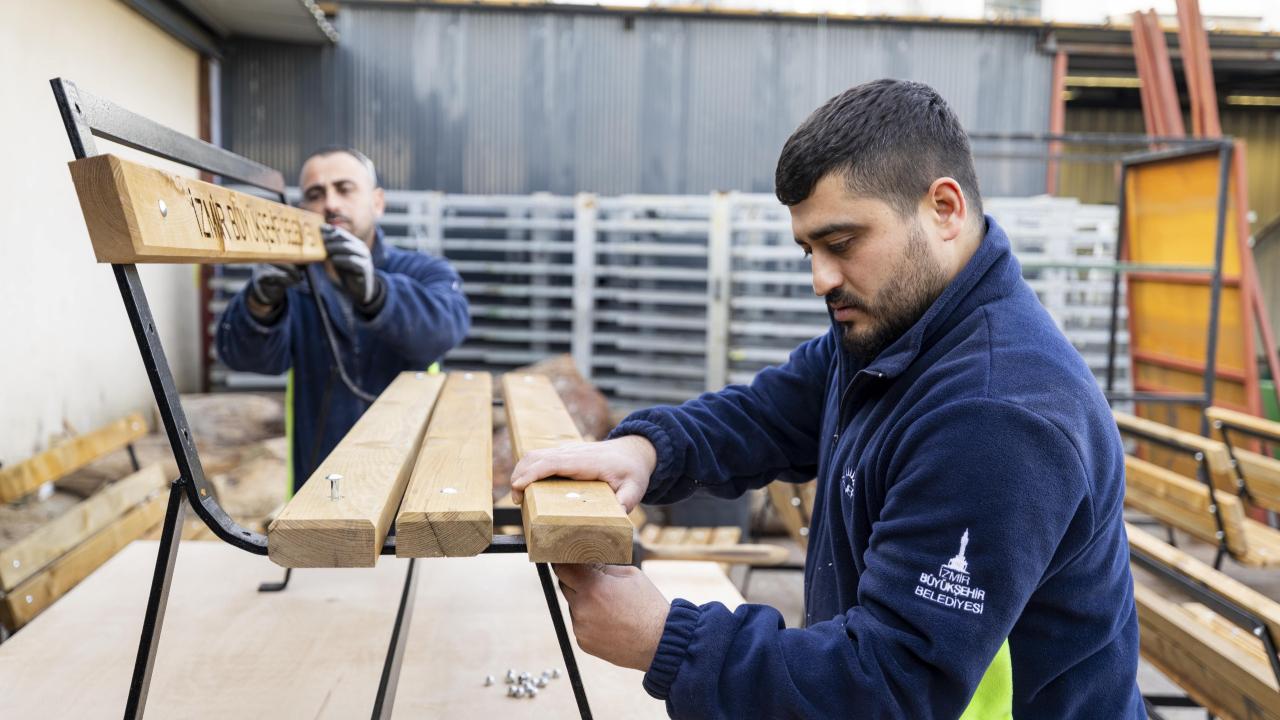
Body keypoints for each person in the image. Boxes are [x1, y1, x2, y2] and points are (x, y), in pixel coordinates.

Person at [510, 80, 1142, 718]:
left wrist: (664, 639)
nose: (821, 278)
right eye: (809, 249)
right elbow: (772, 413)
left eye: (841, 244)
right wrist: (647, 450)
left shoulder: (994, 413)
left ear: (944, 209)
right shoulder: (899, 331)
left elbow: (890, 684)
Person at [217, 147, 469, 492]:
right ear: (303, 210)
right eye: (315, 195)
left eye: (345, 189)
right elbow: (244, 356)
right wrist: (260, 302)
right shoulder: (290, 284)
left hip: (414, 482)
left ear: (377, 202)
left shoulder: (424, 271)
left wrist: (378, 294)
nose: (331, 204)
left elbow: (446, 327)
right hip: (321, 484)